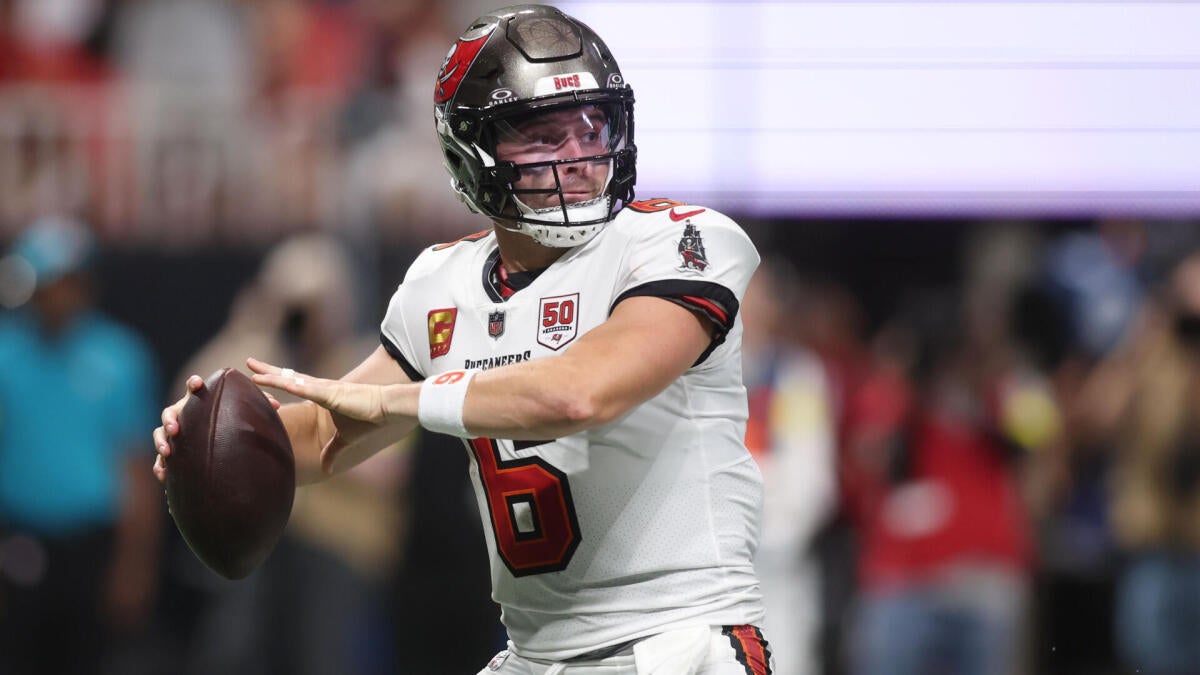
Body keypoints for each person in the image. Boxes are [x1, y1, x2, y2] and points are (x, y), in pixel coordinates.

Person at [154, 4, 773, 674]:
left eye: (593, 126)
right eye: (544, 135)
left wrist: (408, 399)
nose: (578, 156)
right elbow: (327, 433)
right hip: (535, 655)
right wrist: (212, 443)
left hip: (679, 643)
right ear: (469, 154)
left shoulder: (680, 241)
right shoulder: (443, 283)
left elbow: (581, 394)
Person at [0, 215, 162, 675]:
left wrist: (134, 564)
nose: (61, 295)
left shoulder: (120, 358)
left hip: (92, 546)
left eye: (70, 281)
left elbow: (135, 467)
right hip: (19, 541)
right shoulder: (5, 356)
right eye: (50, 282)